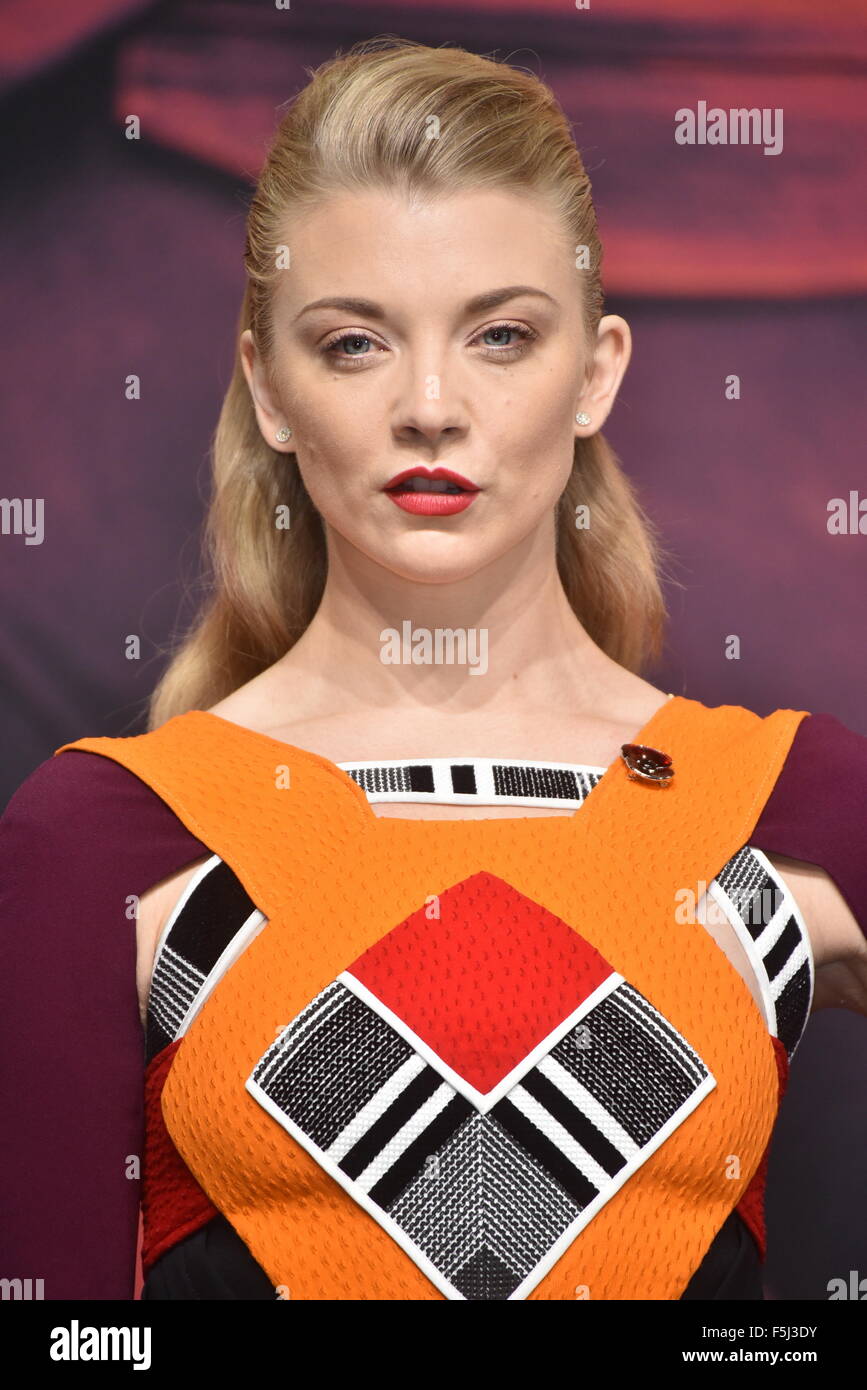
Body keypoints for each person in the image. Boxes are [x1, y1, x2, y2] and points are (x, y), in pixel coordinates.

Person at [1, 35, 865, 1302]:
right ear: (269, 387)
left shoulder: (796, 799)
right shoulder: (104, 837)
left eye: (501, 337)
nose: (429, 404)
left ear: (596, 372)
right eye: (354, 343)